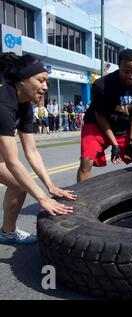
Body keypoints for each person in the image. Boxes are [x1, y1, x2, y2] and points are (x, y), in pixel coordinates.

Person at [0, 53, 76, 244]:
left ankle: (7, 233)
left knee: (19, 185)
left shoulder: (25, 103)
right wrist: (42, 198)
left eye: (47, 82)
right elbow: (12, 162)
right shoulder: (3, 103)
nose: (45, 87)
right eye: (41, 80)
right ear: (23, 80)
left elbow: (32, 151)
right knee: (20, 183)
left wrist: (51, 187)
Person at [77, 49, 132, 182]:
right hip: (98, 125)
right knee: (86, 161)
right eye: (126, 71)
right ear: (119, 67)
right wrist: (115, 144)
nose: (130, 76)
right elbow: (101, 117)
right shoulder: (102, 86)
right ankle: (84, 199)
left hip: (124, 125)